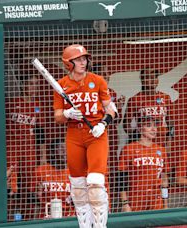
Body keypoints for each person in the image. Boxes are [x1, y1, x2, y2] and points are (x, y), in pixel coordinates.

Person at [53, 44, 117, 228]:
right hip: (74, 134)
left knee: (95, 182)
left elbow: (111, 109)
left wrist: (103, 123)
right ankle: (84, 225)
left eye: (84, 59)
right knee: (78, 185)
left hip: (96, 134)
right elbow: (57, 116)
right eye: (79, 59)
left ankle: (99, 225)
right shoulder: (61, 85)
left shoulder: (97, 80)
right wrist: (67, 114)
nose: (83, 62)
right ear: (69, 63)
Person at [6, 74, 47, 220]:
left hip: (29, 151)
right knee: (11, 188)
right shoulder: (12, 103)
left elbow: (40, 132)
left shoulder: (37, 106)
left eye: (36, 84)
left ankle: (27, 219)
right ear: (23, 85)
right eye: (30, 83)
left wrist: (42, 157)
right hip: (12, 149)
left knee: (29, 188)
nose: (33, 87)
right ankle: (10, 220)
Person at [118, 116, 169, 212]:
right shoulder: (129, 149)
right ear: (140, 128)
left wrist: (165, 204)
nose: (154, 129)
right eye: (149, 125)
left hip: (156, 200)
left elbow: (164, 179)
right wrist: (125, 203)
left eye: (155, 126)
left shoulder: (161, 150)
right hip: (136, 199)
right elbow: (121, 179)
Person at [92, 63, 124, 212]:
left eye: (108, 73)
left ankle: (111, 205)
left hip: (110, 138)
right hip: (94, 137)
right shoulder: (90, 92)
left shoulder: (112, 93)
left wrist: (120, 107)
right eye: (103, 74)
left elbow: (117, 120)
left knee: (110, 171)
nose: (107, 76)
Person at [34, 139, 74, 219]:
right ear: (53, 153)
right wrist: (37, 194)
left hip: (68, 217)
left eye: (66, 149)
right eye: (61, 149)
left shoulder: (74, 172)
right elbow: (33, 199)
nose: (65, 152)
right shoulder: (41, 171)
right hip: (46, 217)